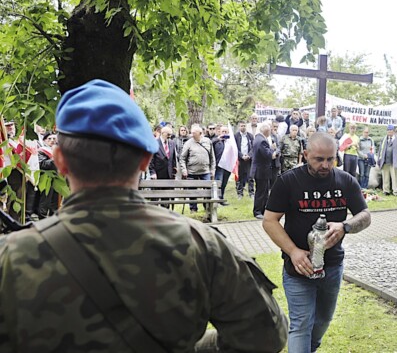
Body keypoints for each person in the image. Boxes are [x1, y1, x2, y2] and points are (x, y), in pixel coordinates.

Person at [0, 79, 288, 352]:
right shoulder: (200, 246)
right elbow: (266, 334)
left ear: (60, 161)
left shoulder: (12, 257)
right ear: (146, 159)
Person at [262, 132, 371, 353]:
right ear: (305, 155)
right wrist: (293, 251)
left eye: (330, 159)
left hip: (332, 267)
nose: (325, 165)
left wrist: (345, 226)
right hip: (298, 268)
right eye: (319, 159)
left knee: (322, 321)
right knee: (301, 325)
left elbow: (365, 216)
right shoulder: (288, 181)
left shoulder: (345, 180)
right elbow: (269, 221)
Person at [180, 124, 216, 212]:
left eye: (194, 133)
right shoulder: (188, 143)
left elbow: (212, 157)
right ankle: (193, 208)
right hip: (192, 172)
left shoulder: (207, 141)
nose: (192, 134)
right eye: (191, 133)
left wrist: (213, 169)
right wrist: (184, 170)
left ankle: (207, 207)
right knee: (192, 191)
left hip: (205, 171)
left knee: (207, 190)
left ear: (200, 133)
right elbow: (182, 158)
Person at [251, 122, 275, 220]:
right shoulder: (262, 141)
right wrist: (273, 149)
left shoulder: (257, 138)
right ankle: (257, 211)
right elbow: (268, 155)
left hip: (261, 170)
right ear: (267, 131)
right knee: (261, 192)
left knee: (264, 191)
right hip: (262, 171)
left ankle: (262, 210)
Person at [377, 124, 397, 196]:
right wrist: (379, 160)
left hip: (394, 161)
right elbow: (380, 150)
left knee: (394, 177)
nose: (389, 132)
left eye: (391, 130)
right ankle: (386, 191)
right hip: (385, 161)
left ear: (394, 131)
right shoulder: (384, 139)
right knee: (385, 177)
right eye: (388, 130)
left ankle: (395, 191)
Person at [235, 121, 255, 199]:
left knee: (250, 176)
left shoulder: (250, 136)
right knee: (239, 176)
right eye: (241, 126)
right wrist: (241, 155)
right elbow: (235, 148)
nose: (243, 127)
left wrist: (249, 155)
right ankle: (240, 193)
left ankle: (251, 193)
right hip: (240, 159)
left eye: (244, 126)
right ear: (239, 127)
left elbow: (253, 147)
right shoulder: (236, 136)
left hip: (249, 159)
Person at [212, 125, 231, 204]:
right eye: (223, 131)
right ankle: (216, 197)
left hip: (228, 165)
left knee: (224, 183)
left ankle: (221, 197)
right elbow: (210, 144)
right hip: (219, 165)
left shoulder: (230, 142)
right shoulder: (216, 140)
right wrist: (218, 139)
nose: (224, 133)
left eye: (226, 132)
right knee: (218, 182)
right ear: (219, 131)